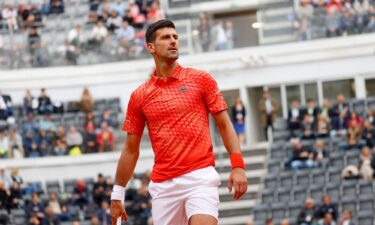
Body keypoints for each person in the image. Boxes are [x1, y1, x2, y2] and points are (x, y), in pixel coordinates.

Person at [110, 20, 247, 225]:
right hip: (163, 187)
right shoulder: (140, 96)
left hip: (200, 178)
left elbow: (225, 125)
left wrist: (238, 166)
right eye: (166, 37)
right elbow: (131, 149)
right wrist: (117, 194)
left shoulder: (201, 79)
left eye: (175, 37)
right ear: (151, 47)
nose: (173, 41)